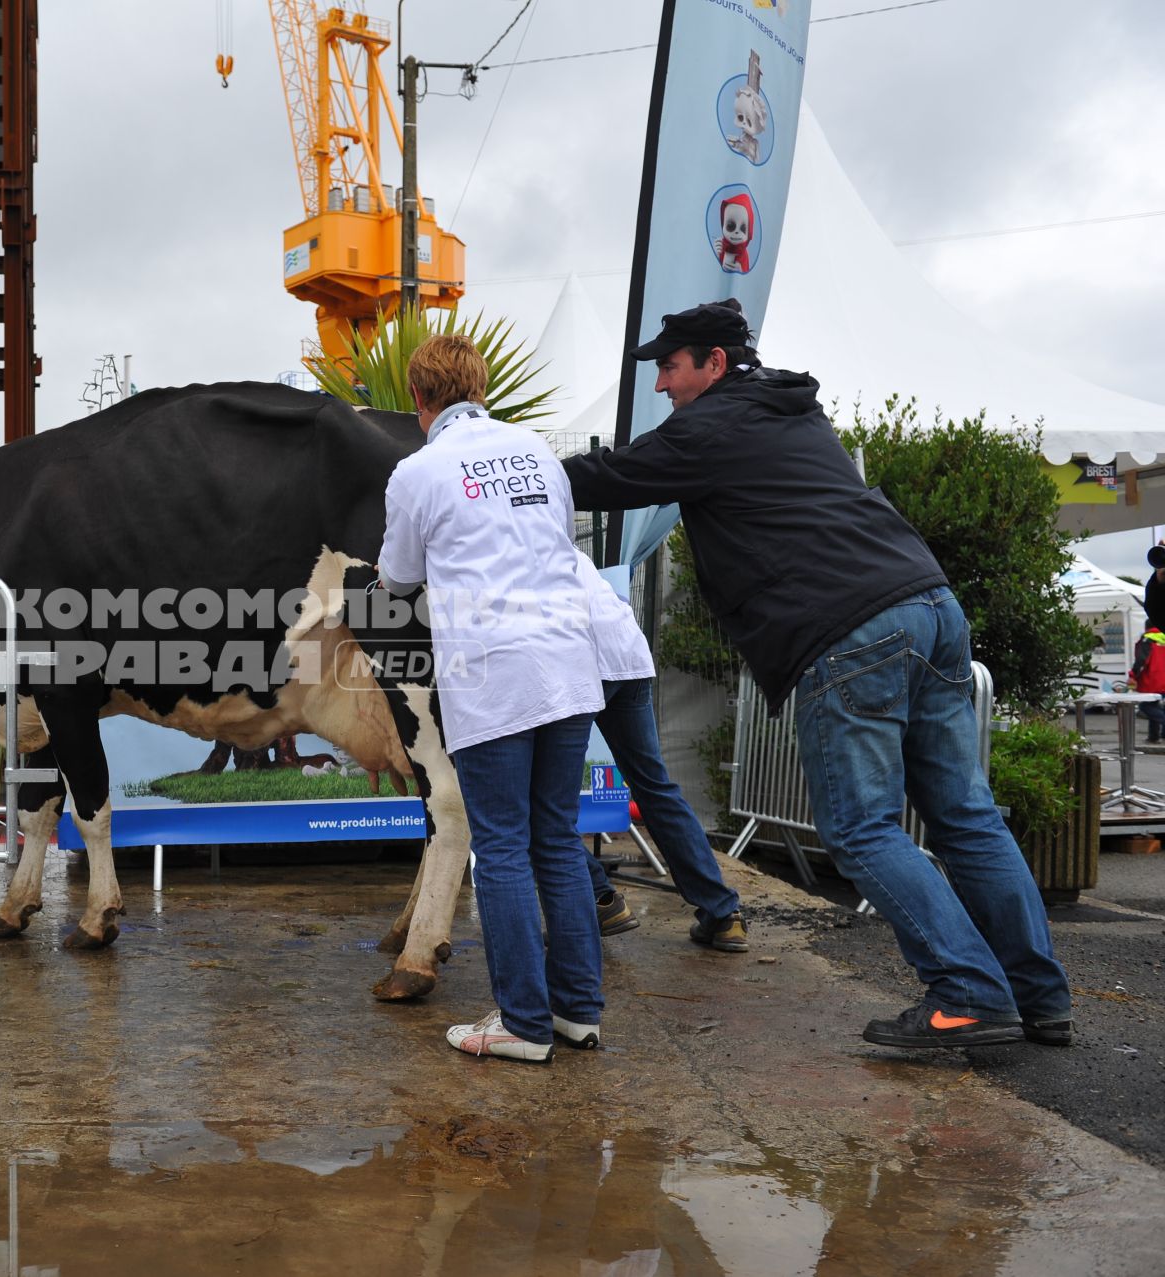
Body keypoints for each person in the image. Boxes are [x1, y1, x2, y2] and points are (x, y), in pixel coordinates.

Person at [564, 298, 1072, 1050]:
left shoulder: (710, 427)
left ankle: (966, 992)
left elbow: (610, 477)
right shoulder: (792, 411)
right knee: (966, 814)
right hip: (930, 604)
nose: (663, 385)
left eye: (671, 367)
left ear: (713, 363)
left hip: (853, 628)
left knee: (860, 827)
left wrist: (512, 474)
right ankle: (1041, 997)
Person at [379, 334, 605, 1063]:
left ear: (419, 399)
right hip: (569, 668)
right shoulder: (539, 452)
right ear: (480, 386)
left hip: (493, 675)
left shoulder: (418, 471)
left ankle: (523, 1023)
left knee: (501, 848)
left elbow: (399, 577)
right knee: (557, 841)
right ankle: (576, 1013)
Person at [576, 558, 747, 951]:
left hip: (583, 663)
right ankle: (724, 915)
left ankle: (601, 901)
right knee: (656, 788)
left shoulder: (507, 546)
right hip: (627, 655)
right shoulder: (563, 542)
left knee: (545, 805)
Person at [1130, 621, 1165, 744]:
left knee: (1146, 706)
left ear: (1146, 627)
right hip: (1163, 679)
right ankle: (1154, 736)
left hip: (1152, 680)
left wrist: (1132, 675)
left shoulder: (1147, 640)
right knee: (1155, 705)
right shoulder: (1162, 638)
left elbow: (1141, 660)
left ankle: (1156, 733)